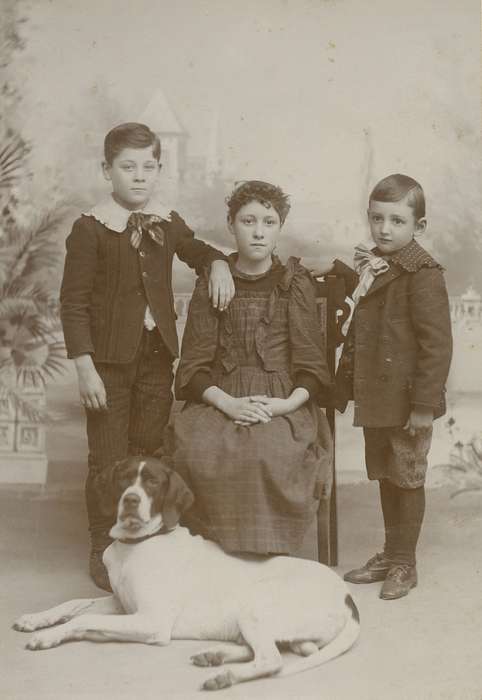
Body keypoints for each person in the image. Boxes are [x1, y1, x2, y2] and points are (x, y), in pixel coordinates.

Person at [60, 122, 235, 590]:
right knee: (109, 458)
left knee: (148, 453)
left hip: (157, 359)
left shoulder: (165, 220)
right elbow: (73, 302)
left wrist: (216, 262)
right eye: (127, 167)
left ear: (158, 170)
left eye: (148, 167)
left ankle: (146, 541)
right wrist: (84, 367)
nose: (139, 177)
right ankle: (103, 545)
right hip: (108, 366)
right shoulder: (90, 229)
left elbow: (195, 248)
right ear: (107, 170)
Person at [166, 180, 334, 557]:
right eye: (248, 221)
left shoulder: (294, 282)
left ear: (280, 227)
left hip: (281, 399)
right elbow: (193, 365)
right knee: (200, 450)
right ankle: (216, 556)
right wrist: (228, 404)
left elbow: (311, 364)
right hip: (221, 395)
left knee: (268, 449)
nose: (259, 232)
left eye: (269, 222)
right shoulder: (213, 280)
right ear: (231, 224)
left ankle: (263, 556)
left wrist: (284, 406)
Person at [311, 173, 452, 600]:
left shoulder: (423, 273)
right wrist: (337, 270)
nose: (384, 229)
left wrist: (424, 404)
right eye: (377, 219)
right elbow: (367, 295)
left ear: (419, 227)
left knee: (406, 477)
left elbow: (437, 345)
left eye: (396, 221)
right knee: (388, 476)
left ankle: (405, 563)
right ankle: (391, 553)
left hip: (409, 401)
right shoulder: (376, 264)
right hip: (378, 396)